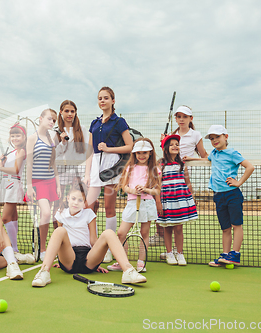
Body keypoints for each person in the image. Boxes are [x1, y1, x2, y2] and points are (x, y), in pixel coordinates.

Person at [31, 180, 147, 287]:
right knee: (59, 231)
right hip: (69, 259)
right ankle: (44, 272)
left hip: (88, 260)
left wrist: (98, 257)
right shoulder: (60, 214)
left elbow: (93, 240)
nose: (76, 202)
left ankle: (128, 271)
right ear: (68, 198)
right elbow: (60, 242)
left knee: (109, 233)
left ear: (84, 202)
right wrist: (59, 258)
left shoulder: (89, 214)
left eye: (80, 200)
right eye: (73, 198)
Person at [84, 86, 133, 263]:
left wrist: (109, 149)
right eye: (100, 98)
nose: (102, 101)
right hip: (95, 165)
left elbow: (130, 146)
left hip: (112, 166)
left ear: (113, 101)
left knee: (109, 208)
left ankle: (109, 249)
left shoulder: (119, 121)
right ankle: (92, 244)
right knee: (88, 206)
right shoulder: (94, 123)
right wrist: (87, 173)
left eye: (106, 98)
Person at [196, 125, 254, 267]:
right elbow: (206, 159)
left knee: (236, 225)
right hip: (218, 195)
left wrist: (239, 182)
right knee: (225, 228)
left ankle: (235, 254)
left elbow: (250, 167)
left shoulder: (232, 153)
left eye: (217, 137)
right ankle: (226, 255)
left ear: (226, 137)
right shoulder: (214, 154)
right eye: (212, 138)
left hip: (232, 194)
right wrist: (190, 158)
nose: (214, 140)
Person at [152, 106, 207, 247]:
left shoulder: (195, 134)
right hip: (168, 176)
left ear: (191, 118)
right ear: (175, 119)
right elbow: (167, 154)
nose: (181, 119)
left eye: (185, 116)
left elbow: (204, 156)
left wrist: (191, 159)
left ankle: (175, 248)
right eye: (179, 116)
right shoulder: (171, 134)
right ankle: (161, 236)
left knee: (177, 218)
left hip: (182, 177)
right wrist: (162, 143)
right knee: (159, 204)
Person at [107, 138, 161, 273]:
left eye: (145, 153)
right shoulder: (130, 168)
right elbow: (124, 187)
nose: (141, 156)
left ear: (150, 153)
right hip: (132, 204)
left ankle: (141, 263)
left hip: (147, 204)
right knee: (121, 233)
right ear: (134, 154)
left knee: (144, 233)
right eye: (138, 153)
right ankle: (122, 262)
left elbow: (157, 190)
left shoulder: (155, 169)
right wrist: (133, 191)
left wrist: (146, 190)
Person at [0, 123, 35, 264]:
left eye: (18, 135)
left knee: (4, 218)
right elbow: (6, 166)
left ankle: (13, 250)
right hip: (6, 184)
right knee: (12, 217)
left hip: (13, 183)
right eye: (13, 135)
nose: (15, 138)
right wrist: (2, 162)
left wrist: (0, 167)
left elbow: (16, 170)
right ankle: (14, 250)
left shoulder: (21, 151)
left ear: (24, 137)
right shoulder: (11, 152)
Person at [26, 108, 61, 261]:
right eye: (49, 119)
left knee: (52, 215)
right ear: (40, 118)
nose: (52, 122)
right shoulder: (32, 138)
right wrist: (28, 186)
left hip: (51, 182)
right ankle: (43, 248)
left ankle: (47, 248)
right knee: (46, 213)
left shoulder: (51, 139)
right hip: (37, 183)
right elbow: (29, 164)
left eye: (54, 120)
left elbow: (53, 164)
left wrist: (58, 185)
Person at [157, 134, 198, 266]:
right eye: (172, 144)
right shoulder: (160, 164)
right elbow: (157, 185)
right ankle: (169, 253)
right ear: (165, 148)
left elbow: (188, 183)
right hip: (167, 200)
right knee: (167, 228)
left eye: (177, 144)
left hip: (180, 200)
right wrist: (158, 202)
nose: (175, 146)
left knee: (179, 228)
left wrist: (192, 197)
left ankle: (179, 253)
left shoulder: (182, 164)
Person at [52, 100, 89, 229]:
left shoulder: (82, 129)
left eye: (72, 111)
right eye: (66, 111)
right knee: (58, 204)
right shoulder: (55, 131)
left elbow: (86, 152)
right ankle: (57, 234)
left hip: (78, 171)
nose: (69, 114)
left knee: (78, 203)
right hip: (61, 171)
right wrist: (63, 143)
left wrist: (81, 173)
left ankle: (76, 234)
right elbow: (54, 155)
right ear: (61, 112)